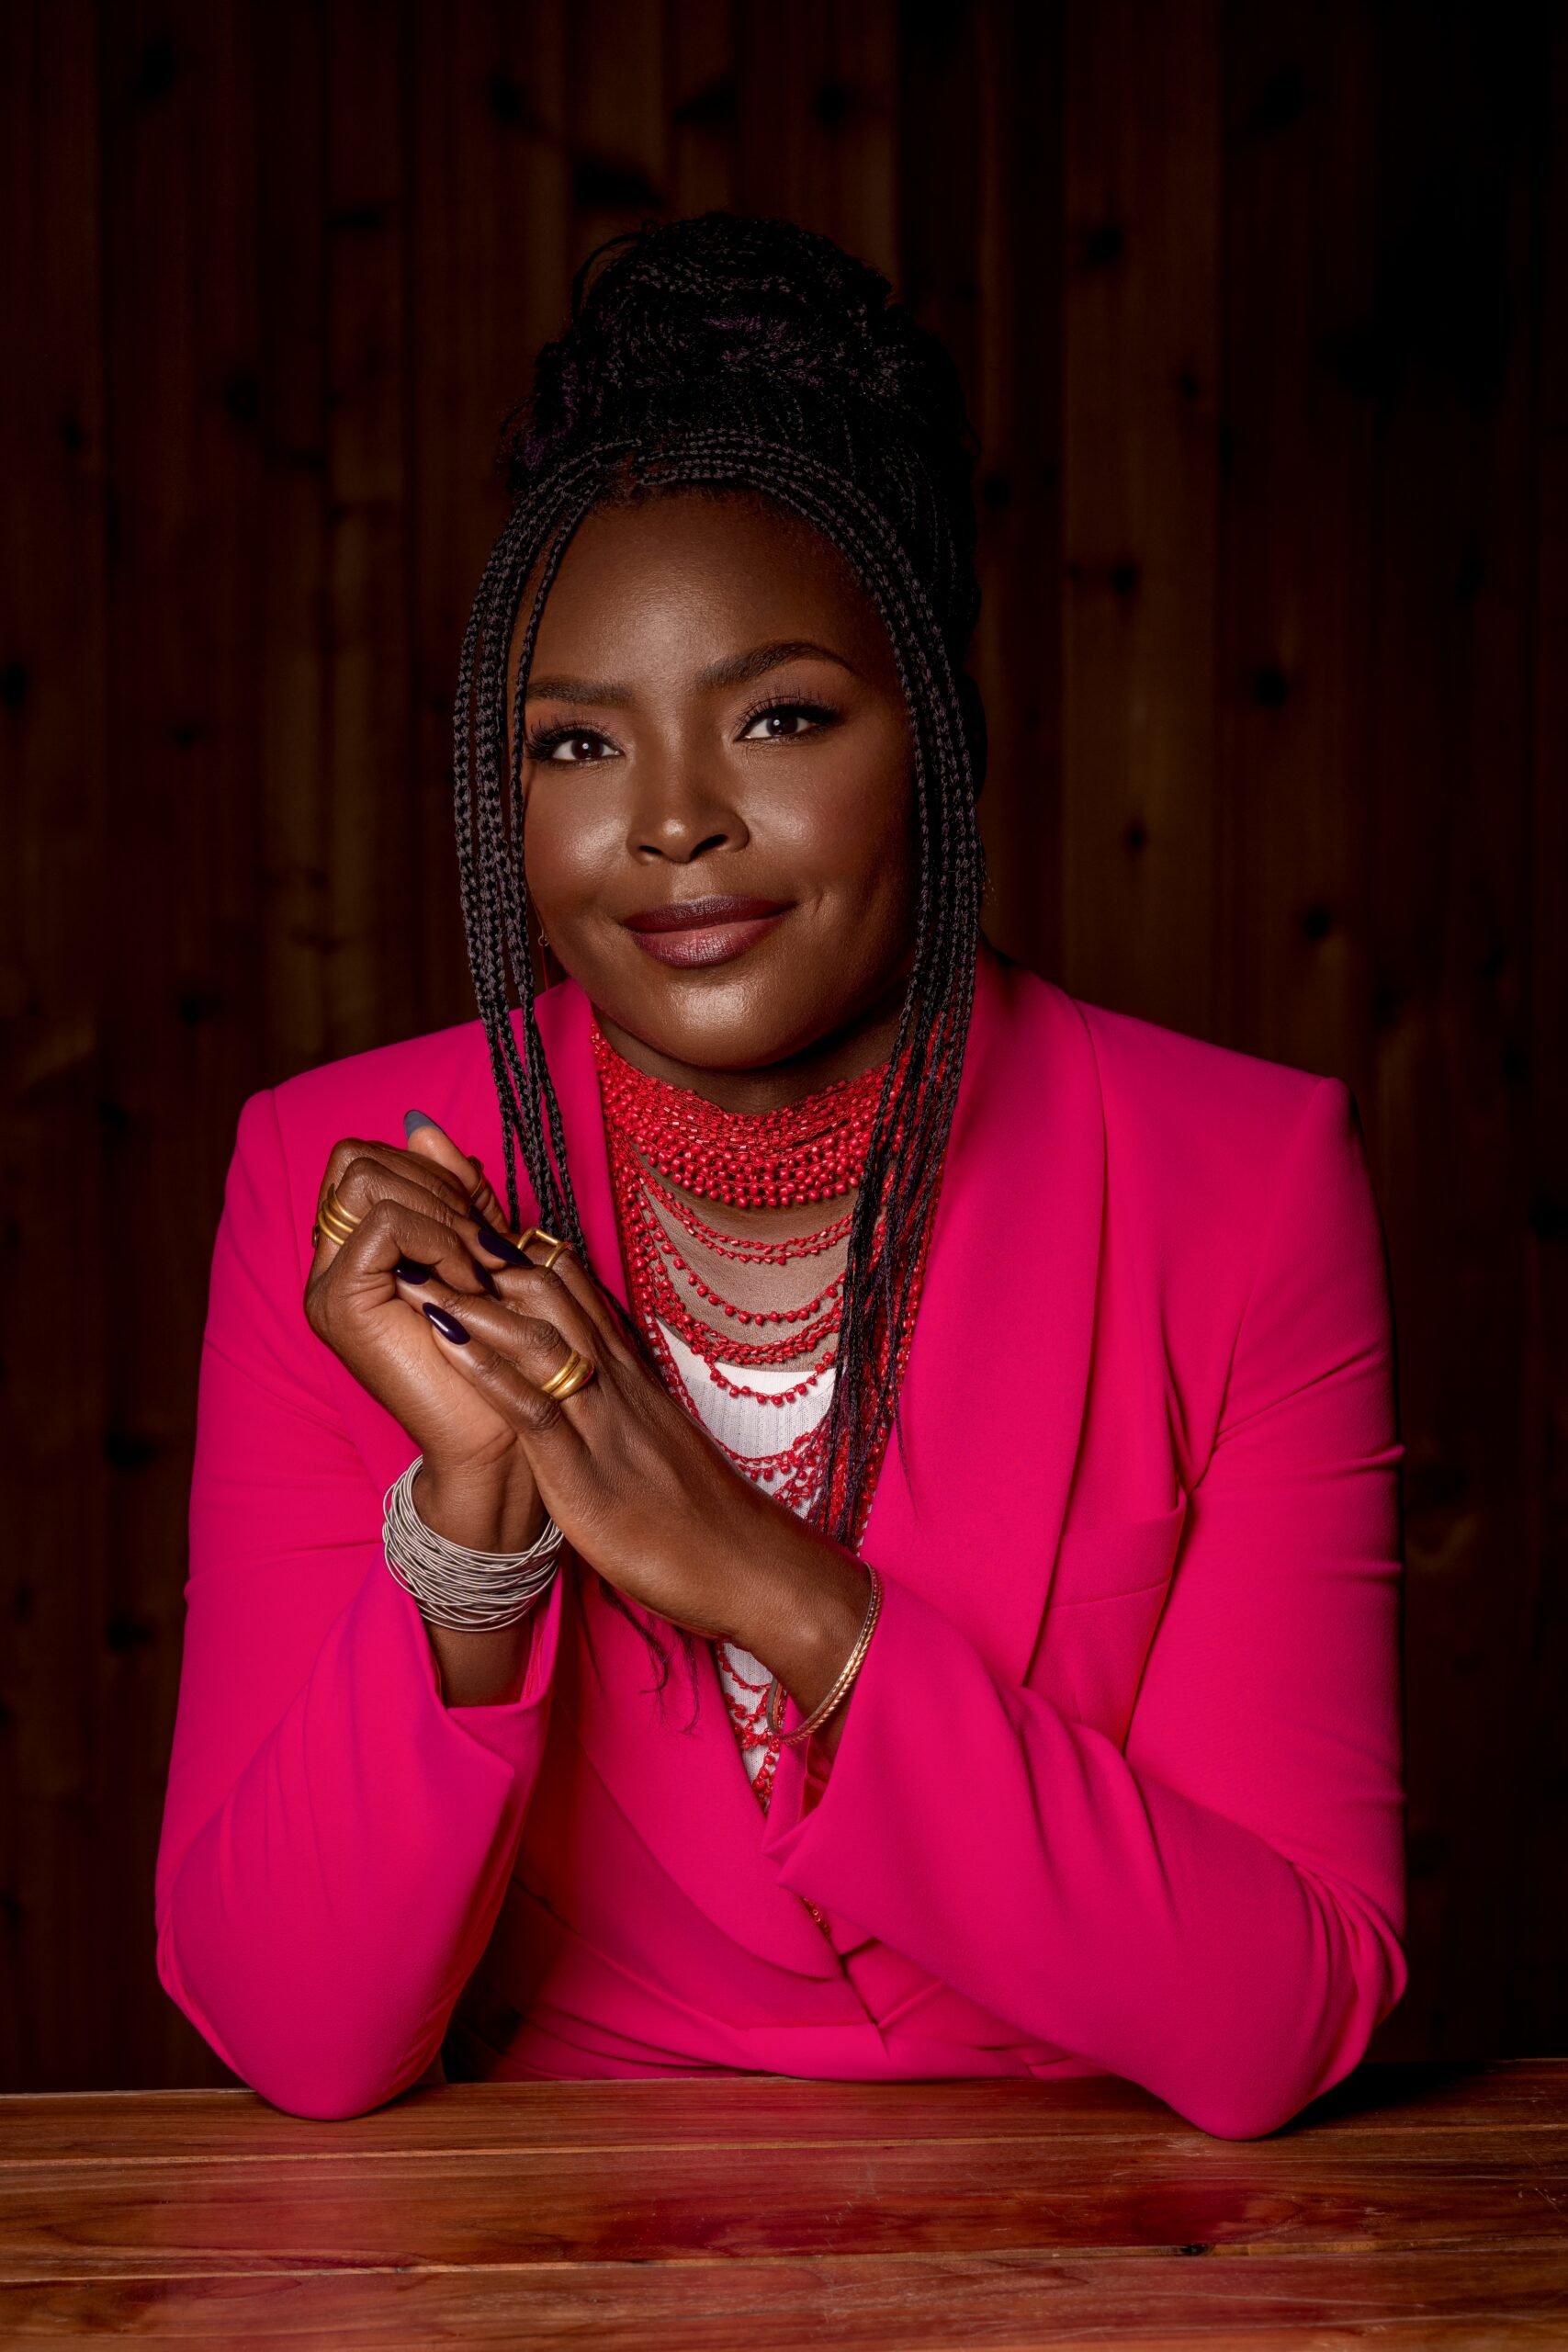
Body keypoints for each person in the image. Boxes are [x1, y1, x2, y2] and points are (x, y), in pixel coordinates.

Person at [153, 212, 1408, 2138]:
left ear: (936, 734)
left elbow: (1278, 2015)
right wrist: (473, 1533)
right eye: (578, 743)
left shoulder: (1240, 1183)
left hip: (1096, 2235)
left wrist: (767, 1587)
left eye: (781, 716)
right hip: (543, 2247)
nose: (671, 820)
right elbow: (295, 2035)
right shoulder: (349, 1200)